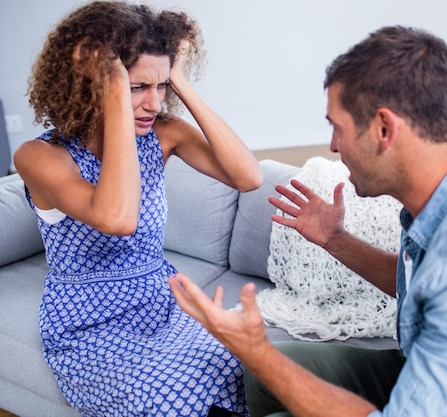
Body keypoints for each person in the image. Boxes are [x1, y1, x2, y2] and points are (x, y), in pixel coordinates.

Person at [168, 26, 447, 417]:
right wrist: (336, 240)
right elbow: (425, 285)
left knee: (267, 368)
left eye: (338, 127)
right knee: (260, 375)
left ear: (384, 129)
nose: (333, 146)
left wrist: (258, 349)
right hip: (431, 372)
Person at [13, 1, 261, 416]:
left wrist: (179, 80)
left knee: (237, 361)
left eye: (160, 86)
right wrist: (113, 88)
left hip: (162, 298)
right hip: (89, 321)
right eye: (137, 87)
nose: (153, 103)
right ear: (94, 83)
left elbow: (248, 176)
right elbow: (118, 219)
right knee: (166, 391)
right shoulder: (42, 156)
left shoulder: (162, 134)